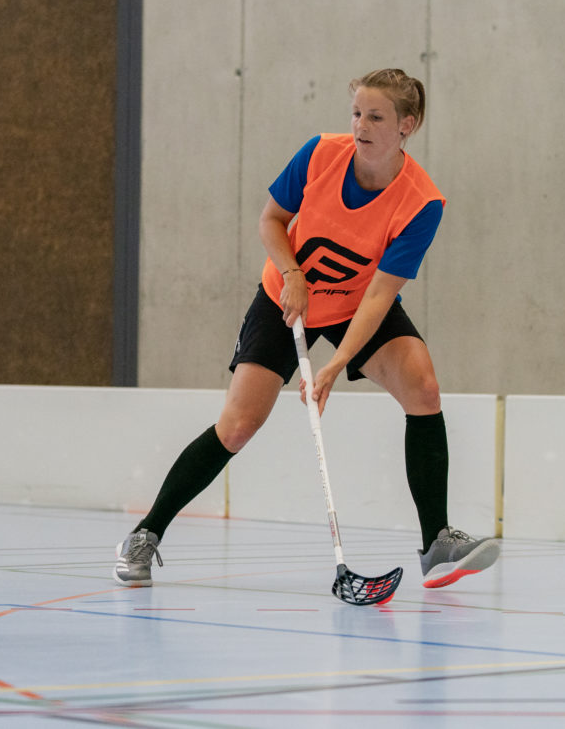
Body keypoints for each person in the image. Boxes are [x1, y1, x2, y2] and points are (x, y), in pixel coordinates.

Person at [113, 68, 499, 592]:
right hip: (285, 297)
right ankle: (145, 534)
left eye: (376, 117)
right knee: (238, 425)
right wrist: (293, 275)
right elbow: (271, 220)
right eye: (357, 113)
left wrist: (335, 365)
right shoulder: (319, 155)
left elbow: (380, 295)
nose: (360, 125)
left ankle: (437, 542)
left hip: (356, 304)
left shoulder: (421, 202)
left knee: (424, 389)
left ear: (406, 125)